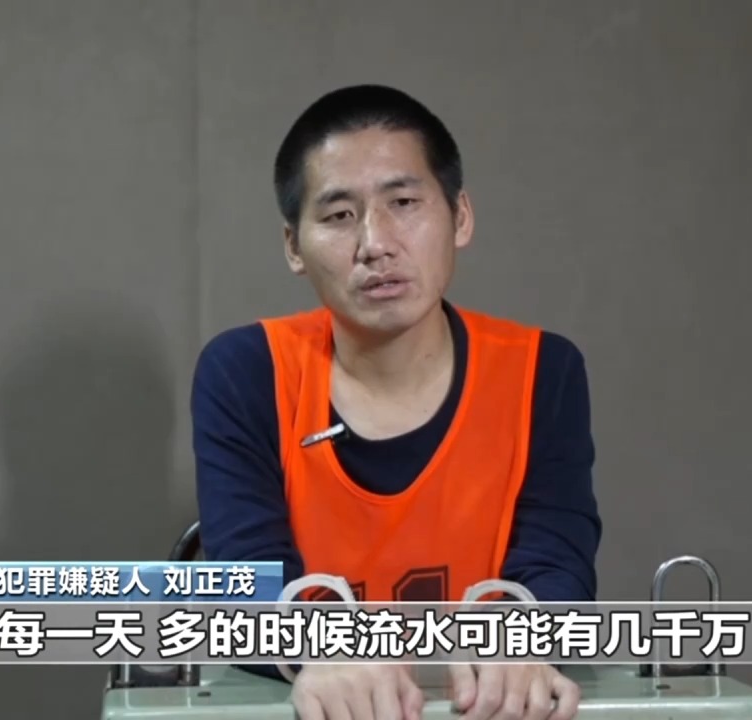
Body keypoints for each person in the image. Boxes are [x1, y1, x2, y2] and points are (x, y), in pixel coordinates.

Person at [190, 84, 601, 720]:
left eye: (404, 203)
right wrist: (323, 651)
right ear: (294, 246)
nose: (375, 243)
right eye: (338, 215)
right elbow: (247, 580)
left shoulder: (541, 370)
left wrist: (526, 642)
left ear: (460, 216)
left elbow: (558, 561)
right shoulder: (246, 371)